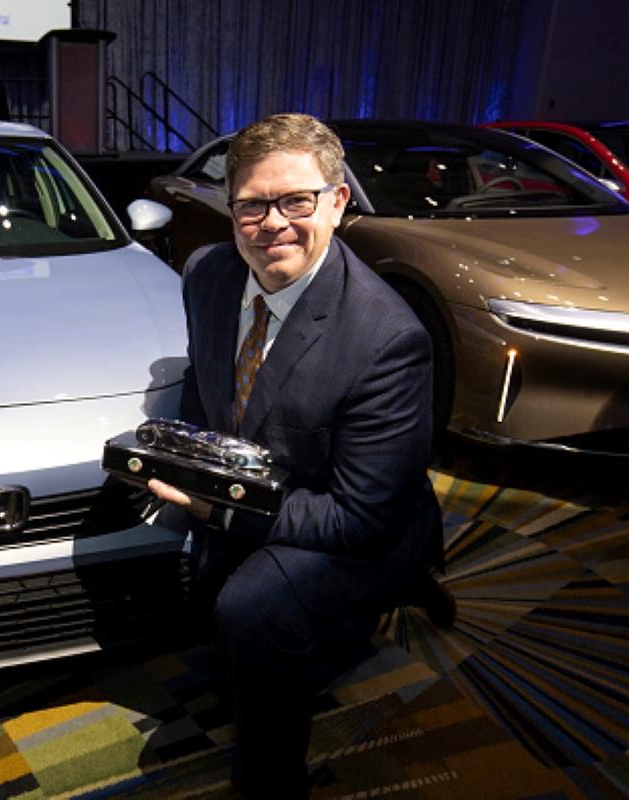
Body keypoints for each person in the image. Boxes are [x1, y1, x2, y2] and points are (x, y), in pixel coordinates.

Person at [147, 114, 448, 796]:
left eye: (296, 201)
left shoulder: (387, 339)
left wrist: (220, 508)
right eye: (251, 204)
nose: (271, 223)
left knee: (252, 611)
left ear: (338, 203)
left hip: (363, 520)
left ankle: (273, 783)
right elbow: (206, 382)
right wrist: (197, 461)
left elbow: (360, 517)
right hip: (268, 487)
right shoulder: (208, 273)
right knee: (207, 628)